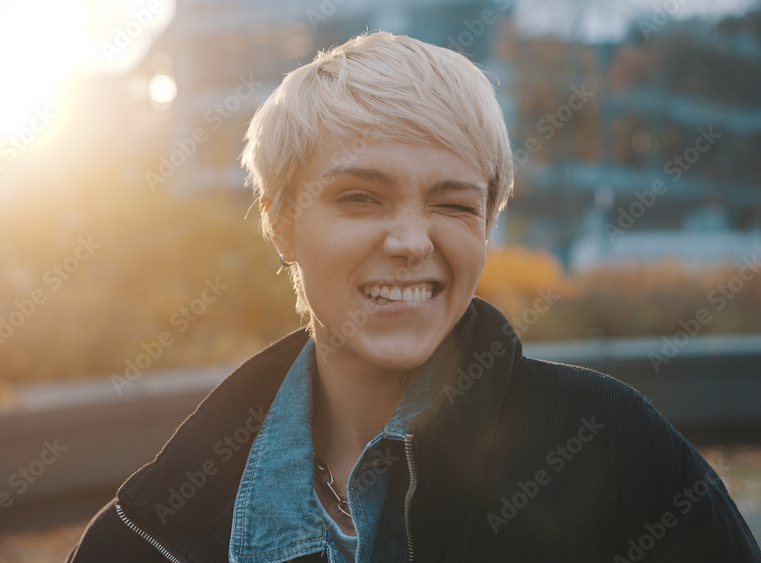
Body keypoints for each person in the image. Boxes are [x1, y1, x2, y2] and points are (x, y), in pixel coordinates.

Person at [65, 31, 760, 562]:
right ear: (280, 223)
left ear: (487, 225)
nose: (409, 240)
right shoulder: (144, 532)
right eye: (360, 197)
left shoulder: (614, 450)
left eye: (452, 205)